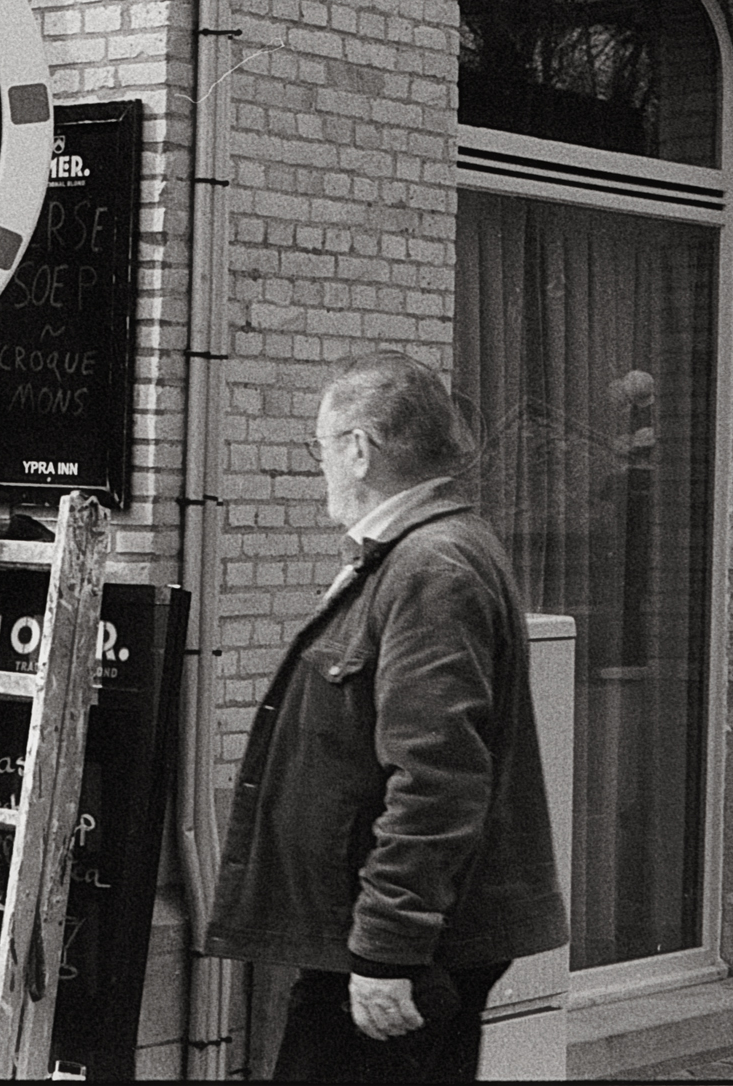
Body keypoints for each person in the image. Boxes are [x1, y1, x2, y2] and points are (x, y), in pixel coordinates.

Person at [203, 351, 566, 1082]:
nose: (322, 468)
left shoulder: (430, 567)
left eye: (321, 447)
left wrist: (386, 950)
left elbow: (437, 778)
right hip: (383, 937)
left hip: (397, 949)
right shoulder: (416, 553)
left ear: (359, 449)